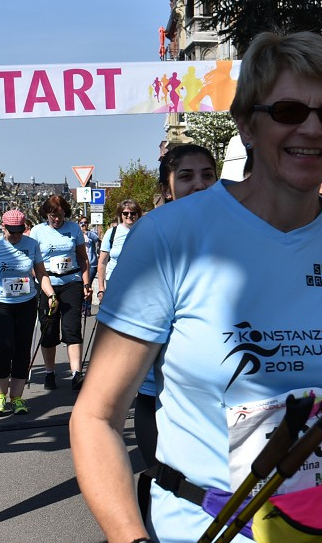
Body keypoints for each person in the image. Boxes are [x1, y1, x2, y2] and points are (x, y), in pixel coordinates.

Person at [70, 31, 322, 543]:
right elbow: (96, 416)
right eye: (288, 110)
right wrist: (128, 536)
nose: (312, 128)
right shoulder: (173, 235)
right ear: (246, 123)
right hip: (208, 526)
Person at [133, 144, 219, 470]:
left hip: (220, 388)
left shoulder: (239, 231)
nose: (199, 184)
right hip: (160, 384)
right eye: (186, 176)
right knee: (164, 478)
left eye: (208, 175)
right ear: (166, 189)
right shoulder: (152, 233)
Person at [0, 210, 57, 416]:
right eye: (11, 231)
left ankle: (17, 397)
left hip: (26, 303)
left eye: (19, 231)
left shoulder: (31, 245)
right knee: (4, 348)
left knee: (22, 350)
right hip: (1, 303)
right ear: (3, 227)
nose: (16, 235)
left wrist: (50, 294)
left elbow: (41, 273)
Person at [29, 195, 91, 391]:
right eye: (53, 216)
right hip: (47, 283)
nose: (57, 220)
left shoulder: (73, 228)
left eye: (60, 216)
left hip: (71, 281)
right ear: (46, 214)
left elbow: (83, 258)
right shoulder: (38, 231)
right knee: (49, 329)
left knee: (72, 327)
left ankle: (76, 373)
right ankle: (49, 373)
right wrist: (39, 281)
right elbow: (31, 261)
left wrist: (86, 282)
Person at [96, 199, 142, 301]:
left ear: (138, 214)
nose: (129, 215)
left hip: (137, 283)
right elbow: (102, 262)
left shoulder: (145, 232)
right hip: (114, 281)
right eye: (125, 213)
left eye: (133, 213)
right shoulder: (112, 233)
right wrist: (101, 287)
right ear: (121, 215)